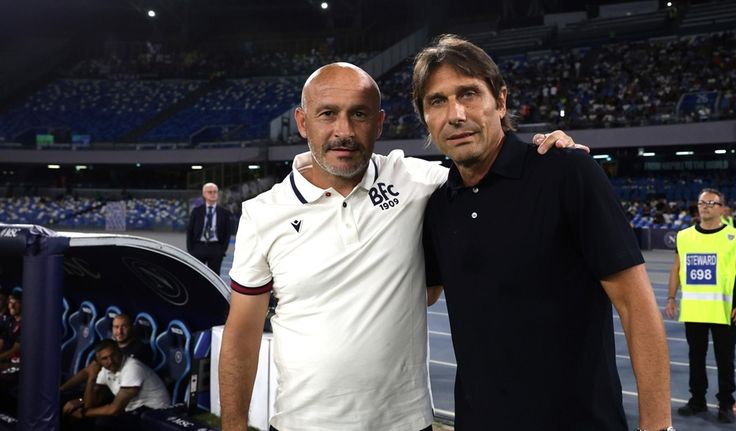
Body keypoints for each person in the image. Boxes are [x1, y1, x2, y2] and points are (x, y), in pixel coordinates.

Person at [220, 62, 581, 431]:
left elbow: (492, 174)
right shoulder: (263, 213)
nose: (343, 131)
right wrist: (233, 425)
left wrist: (550, 155)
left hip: (405, 423)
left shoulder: (418, 182)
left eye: (358, 114)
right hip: (301, 423)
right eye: (327, 114)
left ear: (379, 123)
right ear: (302, 122)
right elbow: (242, 333)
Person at [414, 35, 672, 430]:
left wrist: (658, 428)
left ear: (500, 101)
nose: (456, 114)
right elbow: (422, 292)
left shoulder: (566, 172)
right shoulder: (437, 205)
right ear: (425, 118)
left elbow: (636, 307)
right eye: (437, 101)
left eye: (469, 94)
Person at [666, 188, 736, 424]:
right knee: (696, 357)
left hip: (725, 311)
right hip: (694, 310)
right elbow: (676, 268)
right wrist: (671, 298)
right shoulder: (684, 236)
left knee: (725, 359)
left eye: (711, 203)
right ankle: (697, 400)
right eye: (702, 203)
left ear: (722, 208)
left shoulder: (735, 237)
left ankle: (726, 404)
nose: (705, 206)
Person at [61, 339, 170, 431]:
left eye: (113, 355)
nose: (111, 361)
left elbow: (114, 409)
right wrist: (91, 378)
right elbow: (91, 404)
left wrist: (83, 413)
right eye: (105, 358)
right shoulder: (105, 369)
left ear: (119, 352)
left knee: (104, 421)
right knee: (73, 410)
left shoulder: (132, 368)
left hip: (154, 414)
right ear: (99, 361)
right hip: (134, 410)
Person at [60, 313, 153, 394]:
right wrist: (62, 390)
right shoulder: (110, 346)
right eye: (116, 327)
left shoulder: (140, 349)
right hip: (97, 392)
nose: (119, 331)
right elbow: (88, 370)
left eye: (124, 327)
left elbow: (121, 384)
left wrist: (82, 401)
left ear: (131, 328)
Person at [187, 182, 233, 275]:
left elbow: (227, 233)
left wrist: (222, 250)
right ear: (204, 194)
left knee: (214, 277)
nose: (213, 194)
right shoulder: (196, 211)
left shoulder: (224, 212)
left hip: (216, 248)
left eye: (215, 192)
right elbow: (190, 231)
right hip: (199, 247)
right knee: (196, 276)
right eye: (210, 192)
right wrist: (191, 250)